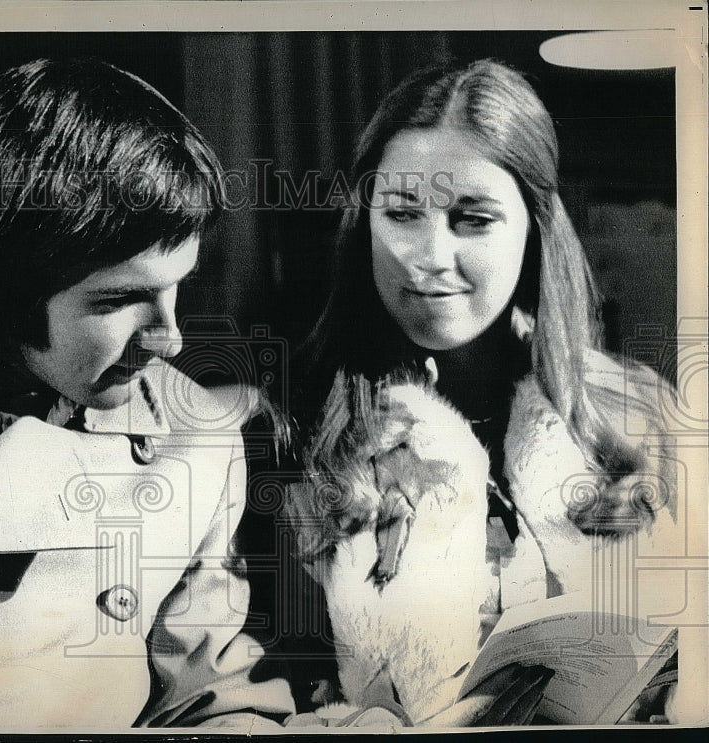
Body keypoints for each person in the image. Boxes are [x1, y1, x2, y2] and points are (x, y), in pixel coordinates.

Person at [0, 57, 296, 729]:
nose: (169, 339)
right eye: (120, 299)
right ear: (2, 281)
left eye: (177, 287)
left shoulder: (194, 437)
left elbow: (208, 697)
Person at [282, 59, 677, 725]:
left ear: (536, 226)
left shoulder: (642, 413)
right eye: (402, 213)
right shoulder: (285, 429)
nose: (430, 254)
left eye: (472, 218)